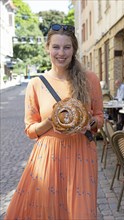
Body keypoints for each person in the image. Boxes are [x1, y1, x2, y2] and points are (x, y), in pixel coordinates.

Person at [4, 24, 104, 220]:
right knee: (47, 213)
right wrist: (51, 121)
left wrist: (90, 122)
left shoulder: (90, 79)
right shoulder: (36, 84)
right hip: (48, 157)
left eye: (67, 47)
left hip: (81, 153)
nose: (61, 53)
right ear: (47, 48)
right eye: (56, 47)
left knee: (80, 213)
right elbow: (31, 130)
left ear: (74, 49)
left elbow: (100, 117)